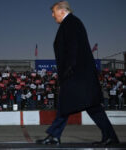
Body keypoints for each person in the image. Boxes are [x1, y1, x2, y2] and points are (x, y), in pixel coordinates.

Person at [36, 1, 119, 146]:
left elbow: (73, 48)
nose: (52, 15)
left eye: (54, 11)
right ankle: (109, 136)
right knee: (87, 105)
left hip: (76, 74)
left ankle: (55, 136)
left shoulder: (71, 23)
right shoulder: (71, 23)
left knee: (74, 104)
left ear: (62, 11)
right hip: (79, 74)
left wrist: (68, 70)